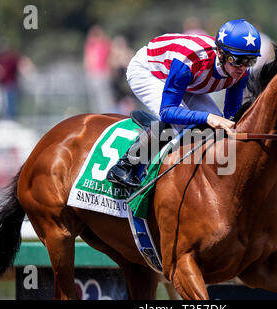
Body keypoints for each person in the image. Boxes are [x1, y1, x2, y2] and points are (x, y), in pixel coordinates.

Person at [107, 19, 261, 188]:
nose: (242, 68)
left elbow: (231, 117)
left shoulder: (240, 74)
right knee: (181, 125)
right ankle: (125, 165)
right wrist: (207, 117)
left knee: (217, 130)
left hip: (187, 78)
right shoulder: (192, 60)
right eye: (237, 60)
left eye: (249, 61)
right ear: (220, 54)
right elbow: (167, 111)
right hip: (149, 70)